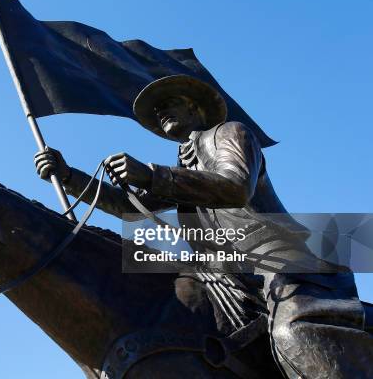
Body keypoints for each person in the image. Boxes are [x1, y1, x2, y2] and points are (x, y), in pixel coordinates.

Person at [34, 75, 372, 378]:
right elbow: (126, 207)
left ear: (196, 109)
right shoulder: (182, 166)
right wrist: (68, 175)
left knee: (295, 332)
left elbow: (236, 185)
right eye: (157, 110)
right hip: (225, 275)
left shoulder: (230, 134)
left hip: (278, 262)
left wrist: (152, 175)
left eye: (171, 103)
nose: (161, 112)